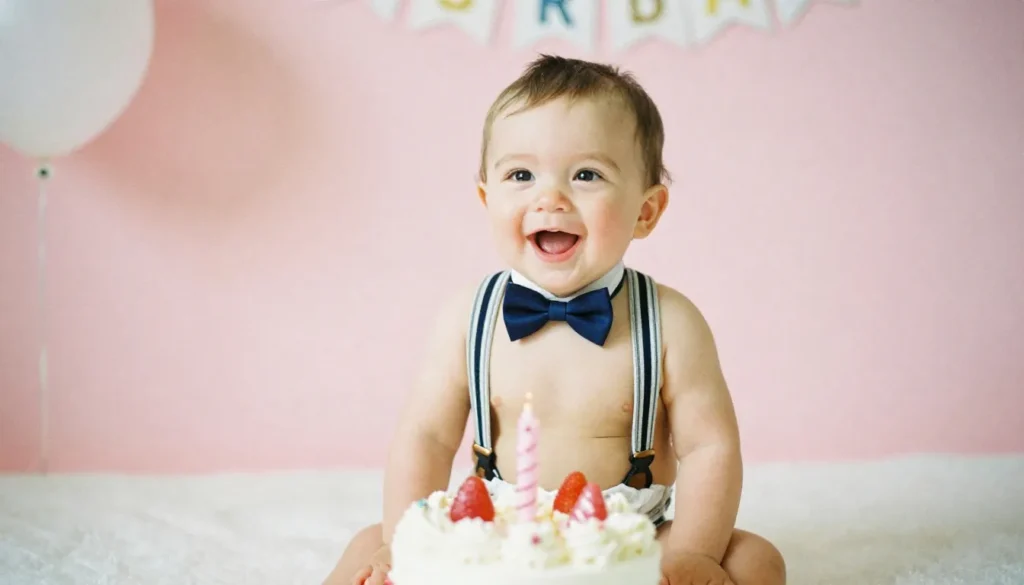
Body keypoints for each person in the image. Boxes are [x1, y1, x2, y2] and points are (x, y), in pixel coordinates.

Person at [324, 54, 786, 585]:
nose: (550, 198)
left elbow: (710, 447)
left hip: (627, 539)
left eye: (587, 174)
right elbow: (426, 437)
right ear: (486, 196)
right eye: (520, 174)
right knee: (369, 544)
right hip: (496, 537)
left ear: (646, 211)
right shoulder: (468, 318)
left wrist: (693, 553)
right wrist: (397, 546)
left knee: (753, 559)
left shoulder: (671, 322)